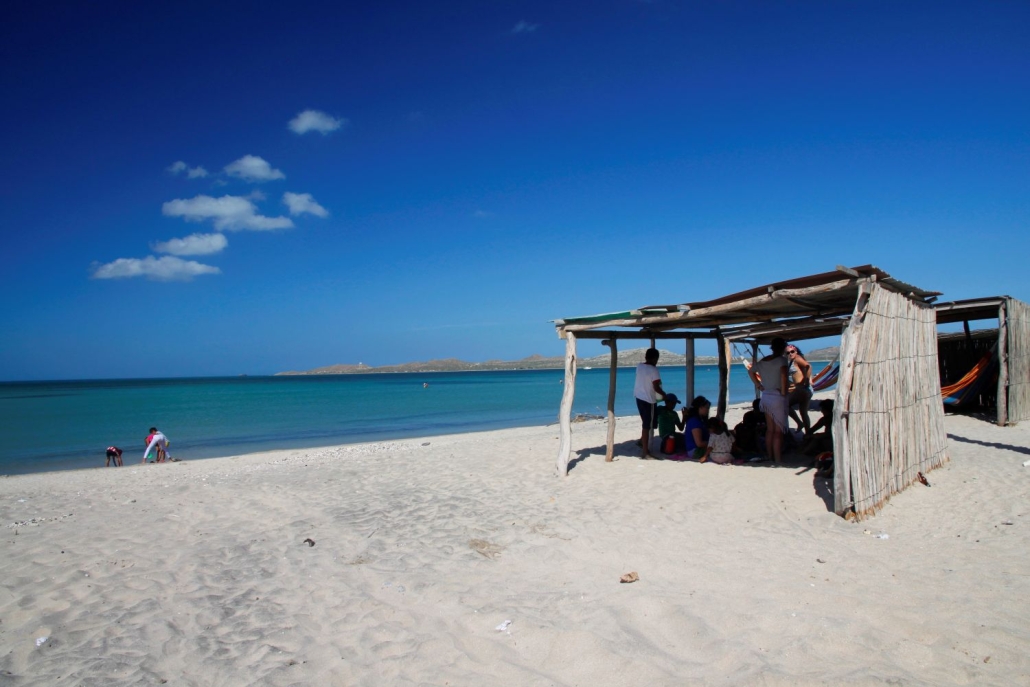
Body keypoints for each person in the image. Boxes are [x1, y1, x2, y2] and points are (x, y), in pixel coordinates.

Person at [749, 337, 789, 463]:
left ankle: (770, 456)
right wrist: (783, 391)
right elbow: (783, 374)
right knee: (778, 431)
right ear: (783, 348)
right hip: (777, 396)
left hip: (765, 396)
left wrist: (759, 385)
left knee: (770, 430)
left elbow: (751, 371)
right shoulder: (782, 360)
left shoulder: (763, 361)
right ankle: (778, 459)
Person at [633, 348, 666, 459]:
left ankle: (642, 442)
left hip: (639, 397)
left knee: (646, 423)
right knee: (647, 425)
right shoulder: (653, 370)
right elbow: (656, 387)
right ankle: (645, 452)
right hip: (649, 400)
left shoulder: (639, 366)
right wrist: (664, 395)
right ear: (655, 358)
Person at [786, 345, 813, 433]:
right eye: (788, 353)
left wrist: (805, 381)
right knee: (803, 412)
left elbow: (808, 366)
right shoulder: (793, 360)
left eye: (792, 351)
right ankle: (808, 433)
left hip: (802, 389)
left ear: (796, 351)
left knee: (785, 405)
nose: (790, 354)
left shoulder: (797, 359)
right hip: (806, 389)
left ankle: (799, 423)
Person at [682, 395, 711, 460]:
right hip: (695, 451)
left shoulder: (700, 419)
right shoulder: (695, 422)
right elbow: (699, 443)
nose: (708, 410)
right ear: (700, 407)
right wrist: (714, 443)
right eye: (707, 408)